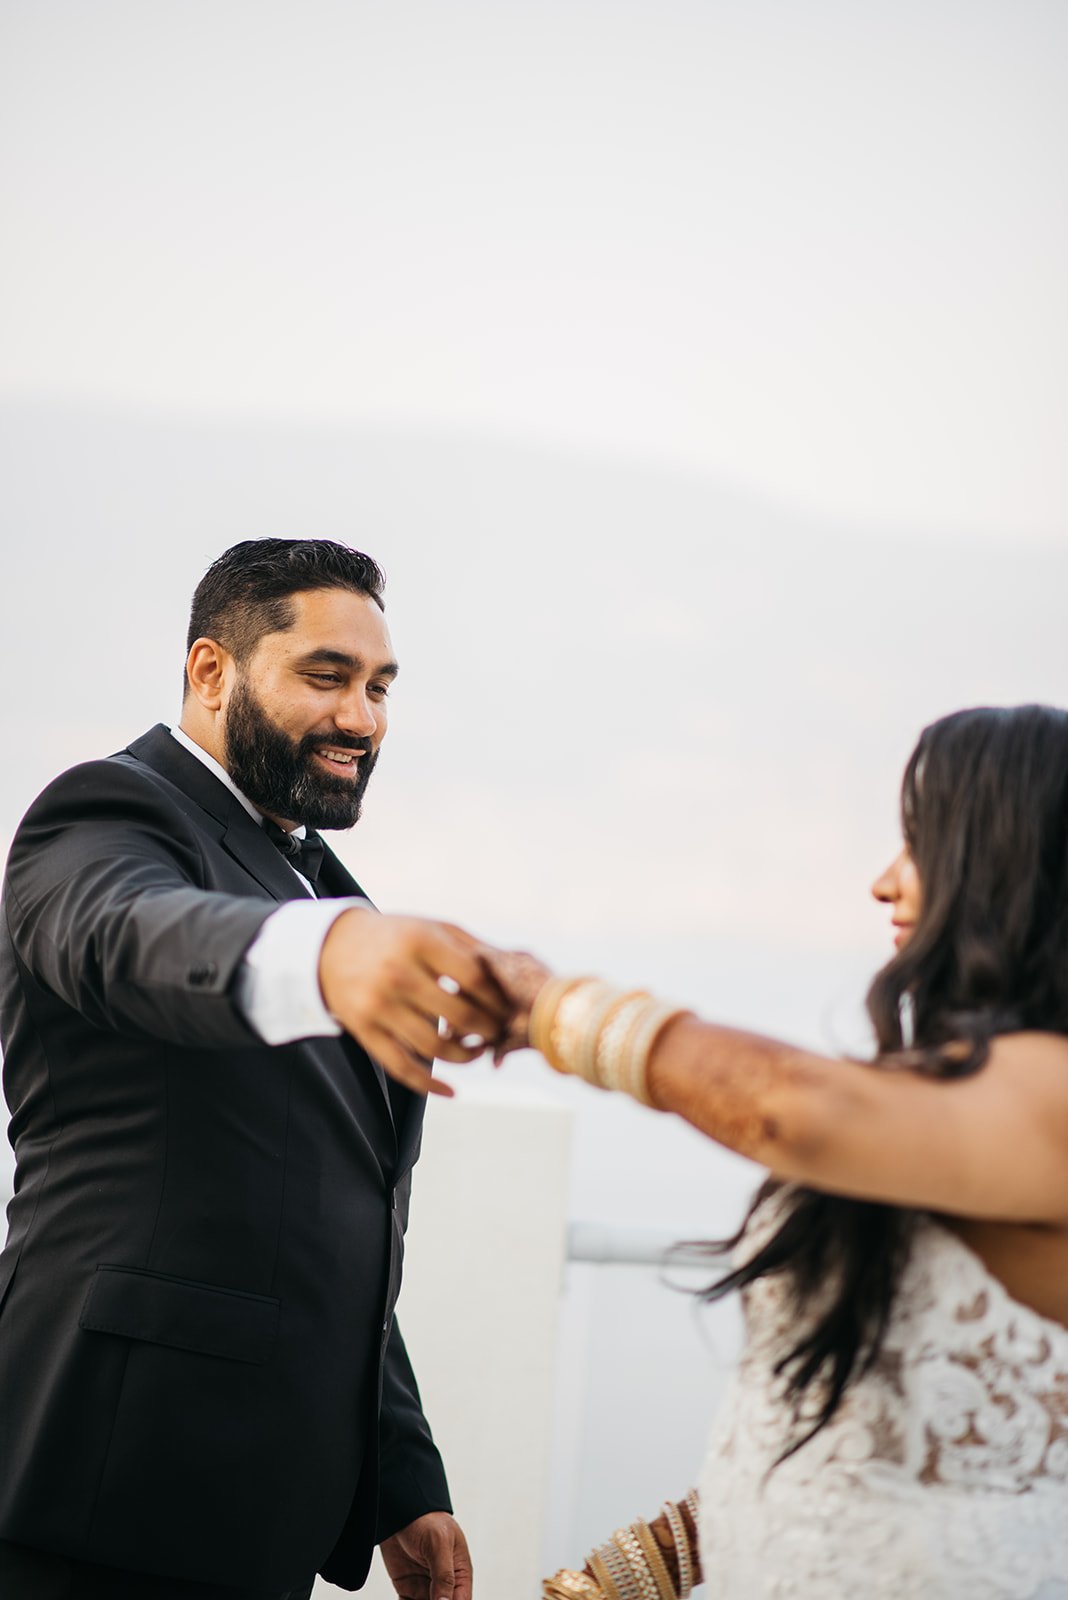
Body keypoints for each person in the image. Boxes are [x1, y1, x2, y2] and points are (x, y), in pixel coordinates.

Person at [0, 538, 507, 1600]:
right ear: (210, 671)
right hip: (103, 1498)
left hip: (258, 1521)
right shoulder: (103, 815)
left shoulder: (330, 892)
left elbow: (330, 1222)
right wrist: (325, 957)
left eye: (377, 687)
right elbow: (127, 935)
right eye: (326, 677)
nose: (361, 719)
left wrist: (399, 1481)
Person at [493, 705, 1068, 1600]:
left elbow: (790, 1108)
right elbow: (857, 1416)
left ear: (1009, 867)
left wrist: (545, 1009)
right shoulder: (941, 1097)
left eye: (920, 843)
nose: (885, 883)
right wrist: (647, 1567)